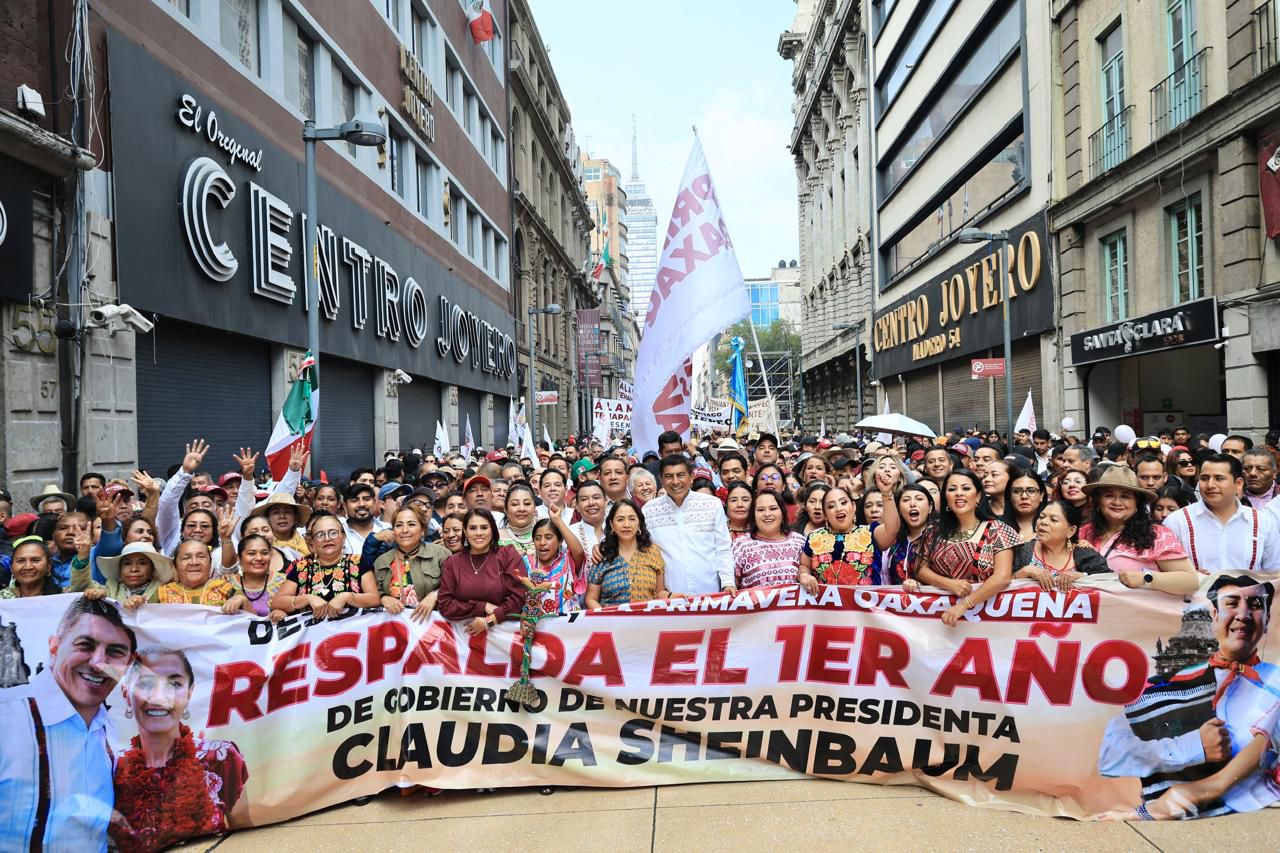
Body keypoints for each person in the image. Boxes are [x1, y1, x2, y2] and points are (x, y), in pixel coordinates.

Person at [1098, 576, 1280, 819]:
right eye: (1232, 603)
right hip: (1162, 808)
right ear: (1214, 616)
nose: (1243, 614)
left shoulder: (1274, 683)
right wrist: (1192, 747)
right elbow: (1110, 755)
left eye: (1256, 604)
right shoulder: (1169, 683)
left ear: (1267, 620)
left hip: (1243, 811)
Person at [0, 596, 136, 851]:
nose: (98, 663)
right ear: (54, 645)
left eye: (115, 652)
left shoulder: (111, 733)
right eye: (85, 645)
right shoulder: (7, 719)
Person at [110, 648, 247, 852]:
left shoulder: (220, 757)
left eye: (174, 684)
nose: (159, 698)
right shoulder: (113, 768)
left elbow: (247, 832)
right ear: (125, 693)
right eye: (146, 684)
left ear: (190, 692)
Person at [912, 470, 1019, 626]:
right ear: (946, 498)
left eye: (966, 488)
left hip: (988, 616)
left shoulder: (998, 529)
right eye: (952, 489)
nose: (959, 493)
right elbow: (920, 570)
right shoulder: (933, 531)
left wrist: (964, 605)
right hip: (938, 617)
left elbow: (1002, 578)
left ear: (978, 496)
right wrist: (950, 584)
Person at [1078, 466, 1198, 595]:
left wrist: (1146, 578)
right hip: (1088, 612)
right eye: (1109, 495)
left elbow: (1190, 582)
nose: (1117, 502)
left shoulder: (1157, 535)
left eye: (1125, 496)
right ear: (1098, 501)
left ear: (1137, 503)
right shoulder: (1084, 532)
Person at [1164, 454, 1280, 573]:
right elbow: (1165, 572)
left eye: (1219, 478)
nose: (1210, 485)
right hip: (1195, 592)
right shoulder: (1177, 521)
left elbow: (1274, 573)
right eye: (1204, 478)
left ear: (1238, 483)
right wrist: (1189, 578)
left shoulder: (1262, 522)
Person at [644, 456, 735, 596]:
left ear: (691, 477)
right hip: (670, 599)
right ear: (661, 480)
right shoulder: (649, 511)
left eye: (680, 475)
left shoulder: (712, 504)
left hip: (711, 595)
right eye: (669, 476)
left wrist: (728, 583)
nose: (675, 481)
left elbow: (723, 548)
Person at [271, 513, 379, 619]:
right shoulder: (301, 566)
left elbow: (374, 599)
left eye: (333, 533)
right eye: (320, 535)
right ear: (312, 542)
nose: (327, 539)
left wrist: (347, 597)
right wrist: (307, 599)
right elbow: (277, 602)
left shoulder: (359, 562)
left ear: (344, 537)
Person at [437, 508, 525, 635]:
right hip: (464, 641)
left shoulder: (507, 555)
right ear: (465, 532)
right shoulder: (452, 562)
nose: (479, 533)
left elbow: (519, 597)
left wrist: (490, 620)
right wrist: (481, 606)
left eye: (484, 527)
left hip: (506, 639)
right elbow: (445, 605)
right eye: (472, 528)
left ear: (492, 530)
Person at [798, 482, 899, 589]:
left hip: (865, 603)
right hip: (825, 604)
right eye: (831, 506)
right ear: (825, 515)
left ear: (853, 506)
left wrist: (887, 493)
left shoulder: (870, 532)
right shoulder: (814, 537)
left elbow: (892, 528)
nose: (838, 508)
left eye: (843, 502)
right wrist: (804, 575)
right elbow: (804, 566)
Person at [365, 505, 450, 622]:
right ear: (393, 530)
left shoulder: (440, 554)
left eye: (411, 524)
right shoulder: (382, 561)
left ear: (422, 530)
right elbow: (372, 592)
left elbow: (456, 585)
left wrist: (435, 595)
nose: (405, 530)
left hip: (433, 630)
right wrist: (383, 598)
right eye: (399, 525)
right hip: (396, 629)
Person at [1012, 500, 1110, 591]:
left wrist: (1081, 576)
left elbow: (1109, 580)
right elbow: (1000, 584)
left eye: (1053, 520)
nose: (1043, 522)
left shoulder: (1084, 552)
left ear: (1071, 531)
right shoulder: (1024, 551)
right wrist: (1026, 571)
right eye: (1041, 517)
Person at [587, 500, 669, 608]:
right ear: (612, 525)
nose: (626, 525)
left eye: (632, 519)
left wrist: (673, 596)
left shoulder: (653, 552)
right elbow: (591, 598)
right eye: (620, 520)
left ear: (639, 523)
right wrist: (606, 619)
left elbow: (659, 593)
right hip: (611, 623)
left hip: (647, 622)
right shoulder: (603, 555)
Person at [733, 491, 804, 589]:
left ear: (782, 512)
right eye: (761, 510)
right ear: (753, 515)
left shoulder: (799, 541)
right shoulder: (740, 545)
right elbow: (731, 586)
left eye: (773, 508)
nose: (767, 514)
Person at [79, 541, 174, 608]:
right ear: (120, 570)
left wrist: (143, 605)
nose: (134, 569)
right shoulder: (109, 590)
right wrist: (95, 595)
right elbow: (81, 587)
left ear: (152, 570)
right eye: (127, 563)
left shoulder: (164, 592)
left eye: (142, 563)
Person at [222, 535, 288, 620]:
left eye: (264, 553)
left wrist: (285, 616)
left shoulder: (285, 583)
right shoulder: (225, 584)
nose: (259, 558)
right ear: (239, 558)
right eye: (251, 553)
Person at [156, 540, 237, 606]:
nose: (194, 562)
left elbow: (248, 621)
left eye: (201, 557)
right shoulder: (161, 593)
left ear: (210, 563)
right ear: (175, 566)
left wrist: (243, 601)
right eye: (186, 558)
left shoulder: (226, 589)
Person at [883, 485, 934, 583]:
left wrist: (921, 587)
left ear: (930, 507)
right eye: (906, 500)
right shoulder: (893, 539)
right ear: (899, 510)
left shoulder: (940, 538)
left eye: (919, 499)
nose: (913, 504)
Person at [0, 536, 64, 598]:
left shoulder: (63, 597)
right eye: (21, 561)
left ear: (48, 565)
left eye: (35, 560)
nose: (28, 567)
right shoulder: (3, 598)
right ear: (11, 567)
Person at [341, 483, 388, 555]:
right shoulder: (338, 533)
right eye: (354, 500)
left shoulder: (388, 529)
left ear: (374, 502)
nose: (361, 504)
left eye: (366, 499)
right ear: (345, 506)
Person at [498, 481, 539, 557]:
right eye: (515, 504)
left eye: (527, 504)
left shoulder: (546, 532)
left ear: (534, 508)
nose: (521, 509)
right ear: (506, 509)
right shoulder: (496, 538)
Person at [1008, 471, 1046, 542]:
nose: (1024, 496)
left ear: (1041, 495)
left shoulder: (1051, 527)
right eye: (1016, 491)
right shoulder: (996, 526)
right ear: (1009, 495)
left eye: (1031, 491)